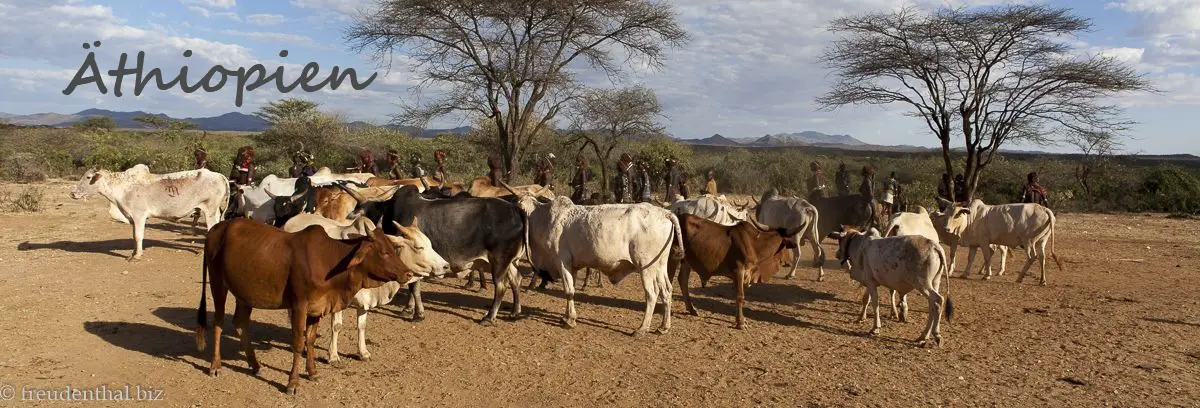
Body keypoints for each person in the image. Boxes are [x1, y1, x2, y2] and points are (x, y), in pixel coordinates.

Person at [226, 146, 256, 219]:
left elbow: (249, 178)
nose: (241, 156)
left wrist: (245, 188)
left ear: (248, 155)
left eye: (243, 155)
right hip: (238, 185)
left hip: (245, 187)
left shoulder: (251, 165)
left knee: (240, 203)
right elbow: (238, 175)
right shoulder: (242, 164)